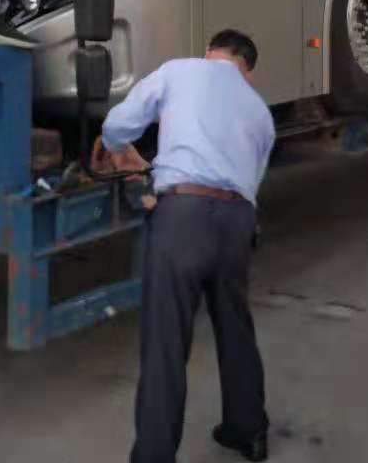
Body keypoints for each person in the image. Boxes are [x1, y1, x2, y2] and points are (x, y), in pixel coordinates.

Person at [95, 29, 275, 463]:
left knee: (166, 340)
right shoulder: (260, 113)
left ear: (210, 53)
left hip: (183, 218)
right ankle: (247, 431)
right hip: (237, 222)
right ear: (246, 68)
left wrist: (122, 151)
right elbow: (250, 177)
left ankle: (154, 456)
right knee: (235, 325)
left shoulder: (181, 71)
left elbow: (119, 125)